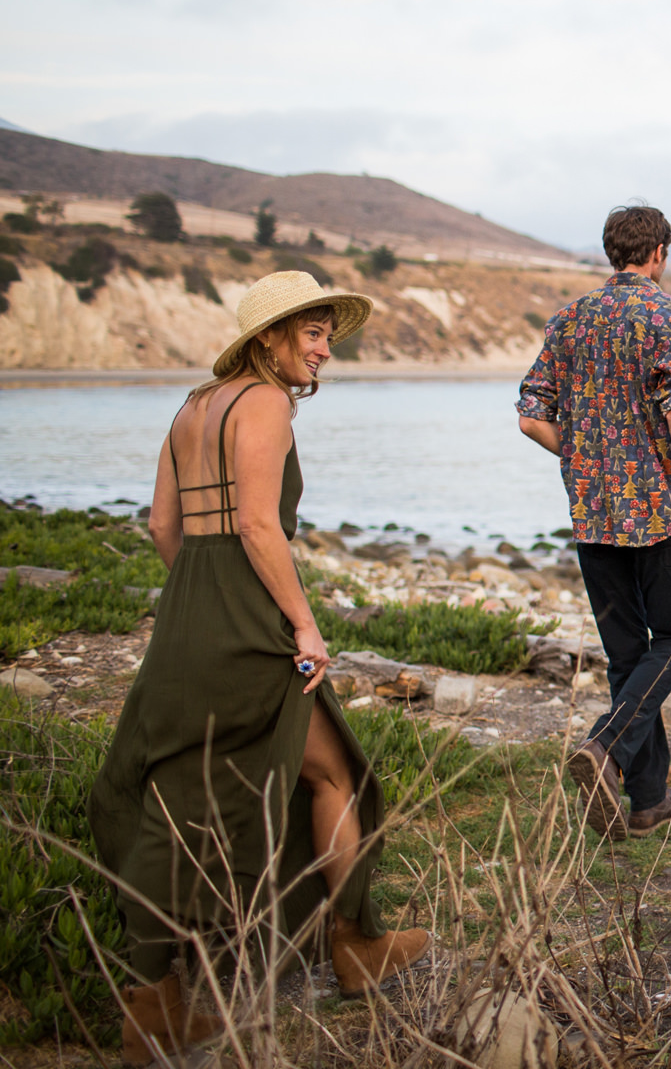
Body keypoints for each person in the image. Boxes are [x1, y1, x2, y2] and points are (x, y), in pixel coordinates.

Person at [88, 271, 431, 1065]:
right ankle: (353, 945)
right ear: (267, 338)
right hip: (251, 620)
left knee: (179, 791)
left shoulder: (193, 406)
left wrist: (199, 603)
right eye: (311, 334)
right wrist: (303, 624)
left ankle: (152, 1010)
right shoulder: (266, 402)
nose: (324, 350)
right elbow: (255, 523)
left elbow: (163, 525)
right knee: (337, 773)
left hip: (188, 615)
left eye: (327, 335)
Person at [517, 204, 671, 840]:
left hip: (593, 510)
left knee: (630, 654)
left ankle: (648, 800)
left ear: (613, 252)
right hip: (658, 510)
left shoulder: (570, 319)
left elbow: (531, 416)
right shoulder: (666, 314)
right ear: (657, 252)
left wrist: (584, 457)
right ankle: (604, 745)